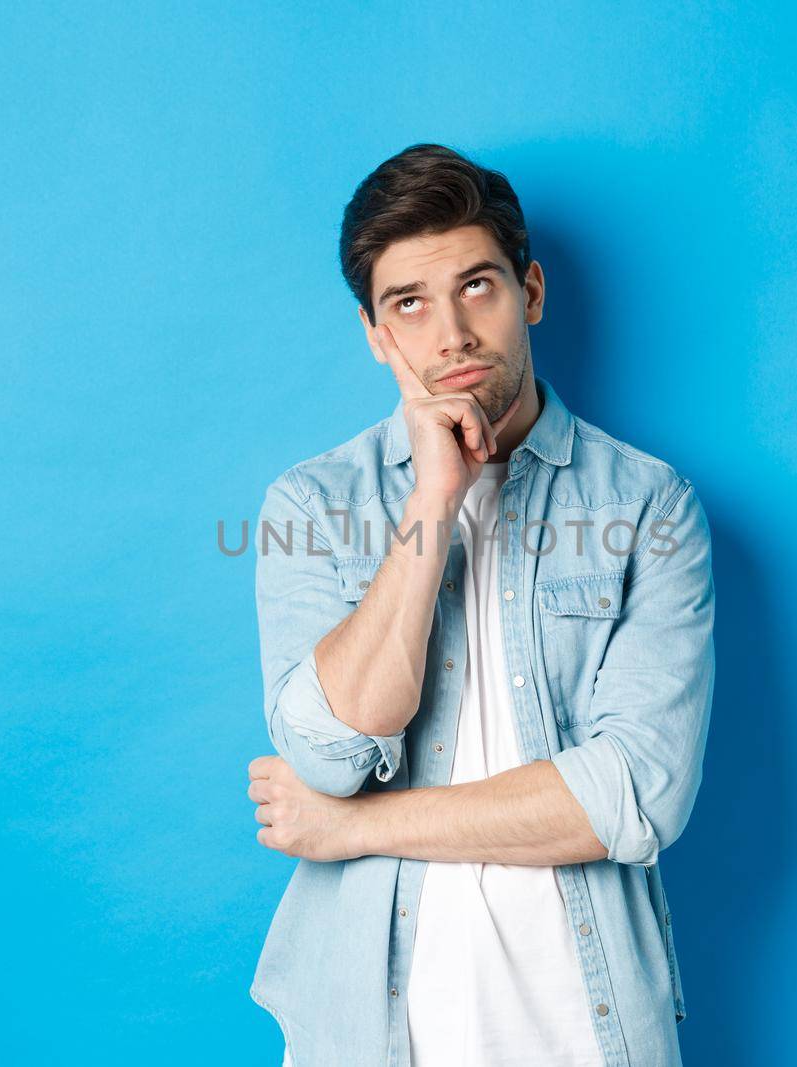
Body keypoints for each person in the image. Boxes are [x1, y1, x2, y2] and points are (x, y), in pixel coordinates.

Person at [245, 143, 716, 1067]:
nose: (450, 333)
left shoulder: (649, 507)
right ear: (376, 335)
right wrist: (433, 499)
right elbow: (329, 752)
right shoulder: (311, 505)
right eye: (408, 304)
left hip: (592, 1029)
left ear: (530, 292)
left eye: (477, 286)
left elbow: (634, 795)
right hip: (368, 1035)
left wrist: (353, 830)